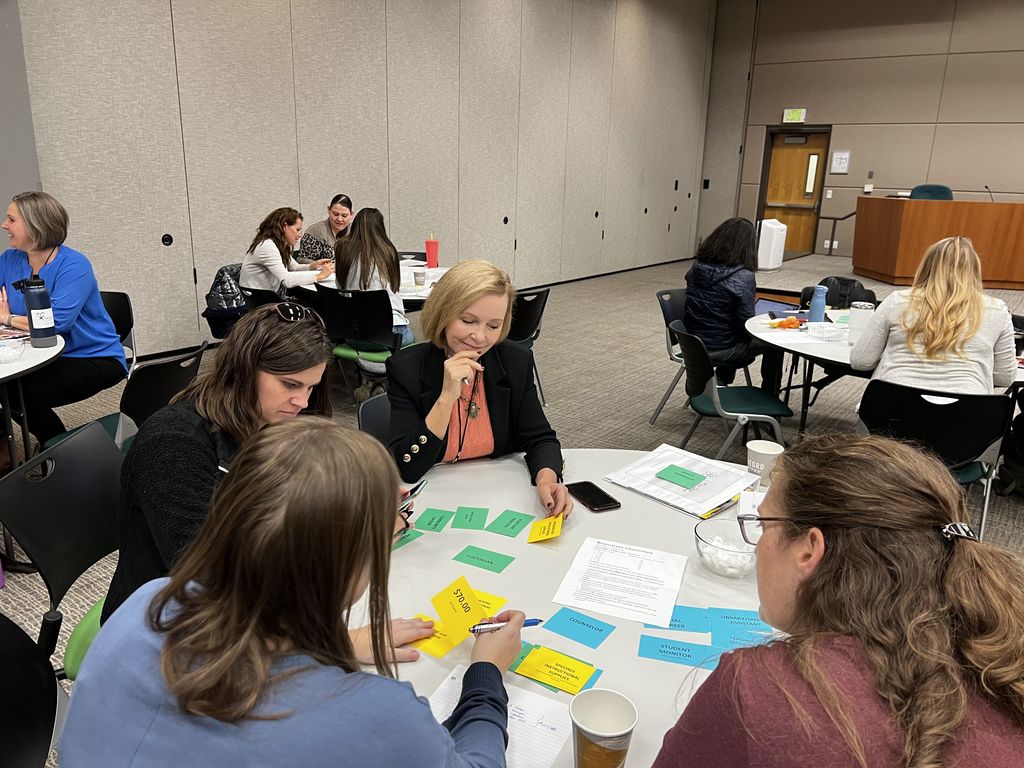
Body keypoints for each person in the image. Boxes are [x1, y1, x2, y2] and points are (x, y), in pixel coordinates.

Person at [61, 418, 524, 767]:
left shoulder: (146, 603)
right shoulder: (377, 715)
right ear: (350, 565)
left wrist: (341, 643)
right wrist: (485, 674)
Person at [653, 433, 1024, 768]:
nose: (759, 546)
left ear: (809, 550)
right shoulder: (1001, 651)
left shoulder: (762, 691)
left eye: (764, 526)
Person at [100, 303, 333, 622]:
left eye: (311, 387)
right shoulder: (174, 442)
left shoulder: (265, 418)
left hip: (243, 595)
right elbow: (207, 573)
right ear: (245, 369)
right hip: (167, 618)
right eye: (290, 385)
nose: (303, 402)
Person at [386, 260, 572, 517]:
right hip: (434, 500)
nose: (480, 337)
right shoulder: (406, 368)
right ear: (443, 313)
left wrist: (547, 479)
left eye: (493, 326)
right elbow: (407, 467)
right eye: (468, 320)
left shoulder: (514, 362)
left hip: (499, 496)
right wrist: (445, 398)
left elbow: (540, 438)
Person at [0, 191, 126, 447]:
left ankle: (57, 450)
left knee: (17, 393)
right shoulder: (9, 260)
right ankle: (6, 449)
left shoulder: (74, 265)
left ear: (35, 224)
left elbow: (56, 324)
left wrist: (8, 317)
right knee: (7, 388)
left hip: (91, 356)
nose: (4, 226)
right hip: (37, 351)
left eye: (11, 219)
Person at [851, 236, 1015, 394]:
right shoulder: (997, 310)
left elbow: (861, 361)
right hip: (966, 416)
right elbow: (1005, 377)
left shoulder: (897, 301)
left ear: (926, 266)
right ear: (975, 271)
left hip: (894, 409)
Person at [683, 217, 777, 389]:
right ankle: (770, 396)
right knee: (775, 344)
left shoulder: (697, 266)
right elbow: (746, 324)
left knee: (728, 326)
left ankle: (718, 380)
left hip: (693, 344)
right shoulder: (743, 276)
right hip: (720, 348)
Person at [335, 206, 413, 346]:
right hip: (389, 337)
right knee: (415, 334)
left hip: (353, 336)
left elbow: (340, 288)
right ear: (380, 228)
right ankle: (391, 366)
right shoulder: (387, 250)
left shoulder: (342, 249)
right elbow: (395, 287)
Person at [239, 207, 334, 298]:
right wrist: (319, 276)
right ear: (285, 226)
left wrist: (313, 266)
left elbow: (294, 268)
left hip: (267, 298)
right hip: (260, 304)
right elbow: (287, 280)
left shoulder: (278, 244)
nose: (300, 235)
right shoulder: (267, 246)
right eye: (297, 230)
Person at [297, 192, 353, 264]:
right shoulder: (316, 231)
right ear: (328, 210)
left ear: (351, 214)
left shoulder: (355, 231)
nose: (339, 219)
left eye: (344, 215)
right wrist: (321, 265)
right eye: (335, 214)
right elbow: (301, 260)